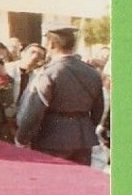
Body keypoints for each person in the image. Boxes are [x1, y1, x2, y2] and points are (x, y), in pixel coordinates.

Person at [15, 26, 106, 165]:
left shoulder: (49, 73)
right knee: (78, 184)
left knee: (52, 184)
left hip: (51, 138)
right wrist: (83, 127)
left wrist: (21, 139)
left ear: (51, 43)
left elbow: (34, 111)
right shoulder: (92, 73)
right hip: (83, 138)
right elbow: (98, 110)